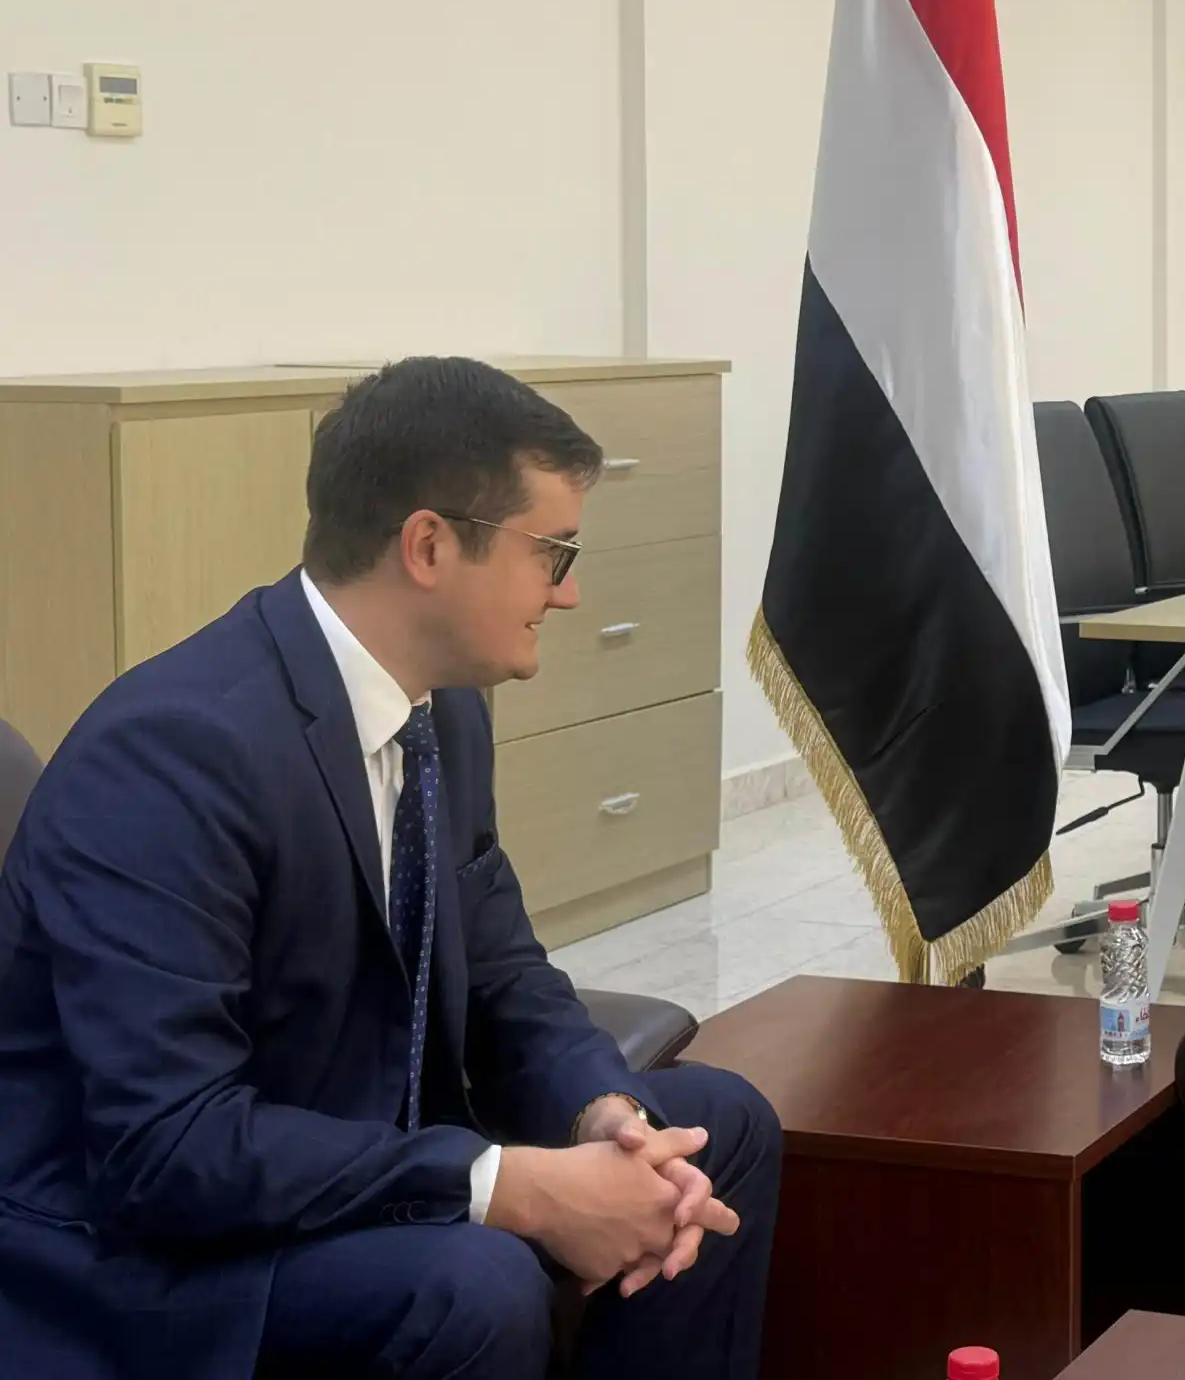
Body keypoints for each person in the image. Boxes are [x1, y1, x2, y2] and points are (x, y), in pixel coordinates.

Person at [0, 357, 780, 1380]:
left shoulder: (443, 711)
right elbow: (168, 1147)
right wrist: (510, 1185)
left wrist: (607, 1117)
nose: (571, 592)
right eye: (552, 552)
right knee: (472, 1281)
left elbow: (504, 976)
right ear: (428, 546)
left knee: (716, 1128)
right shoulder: (174, 754)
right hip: (150, 1244)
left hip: (349, 1145)